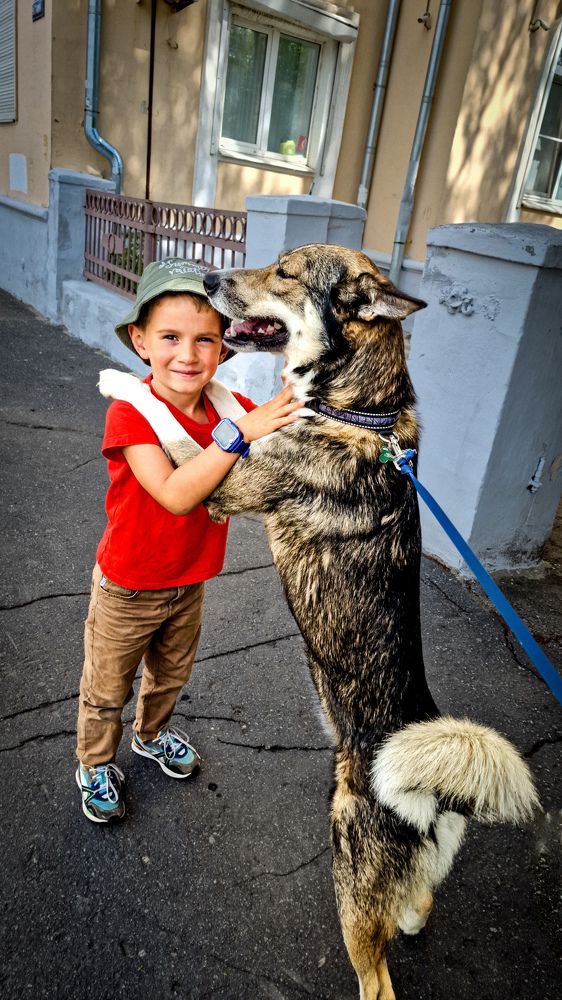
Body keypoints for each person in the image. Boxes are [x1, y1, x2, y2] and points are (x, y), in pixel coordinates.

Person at [75, 258, 301, 823]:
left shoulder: (226, 406)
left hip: (189, 579)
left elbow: (278, 442)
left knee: (170, 675)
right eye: (170, 337)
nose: (188, 354)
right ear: (141, 341)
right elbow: (176, 494)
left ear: (225, 346)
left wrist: (295, 390)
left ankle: (151, 736)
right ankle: (95, 762)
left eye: (206, 339)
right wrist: (240, 434)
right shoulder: (132, 416)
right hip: (128, 585)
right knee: (107, 686)